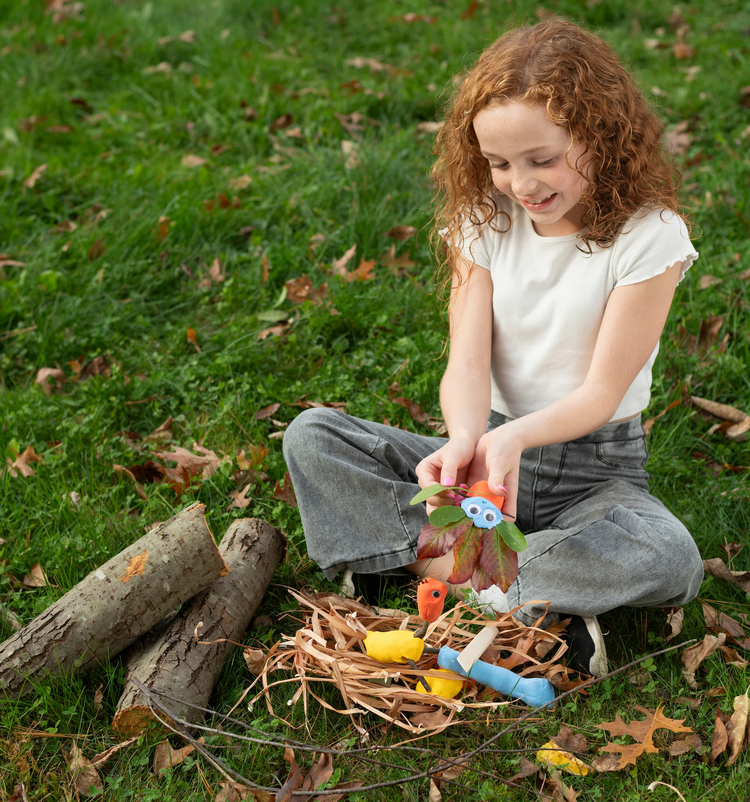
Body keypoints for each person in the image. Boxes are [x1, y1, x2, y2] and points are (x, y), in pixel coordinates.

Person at [283, 18, 704, 676]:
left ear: (600, 135)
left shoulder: (648, 237)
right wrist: (464, 441)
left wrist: (512, 443)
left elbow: (601, 391)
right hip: (486, 460)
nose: (521, 183)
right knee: (312, 436)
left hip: (594, 475)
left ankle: (445, 568)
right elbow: (468, 361)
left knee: (668, 553)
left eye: (542, 159)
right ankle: (524, 594)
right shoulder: (486, 221)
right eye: (500, 163)